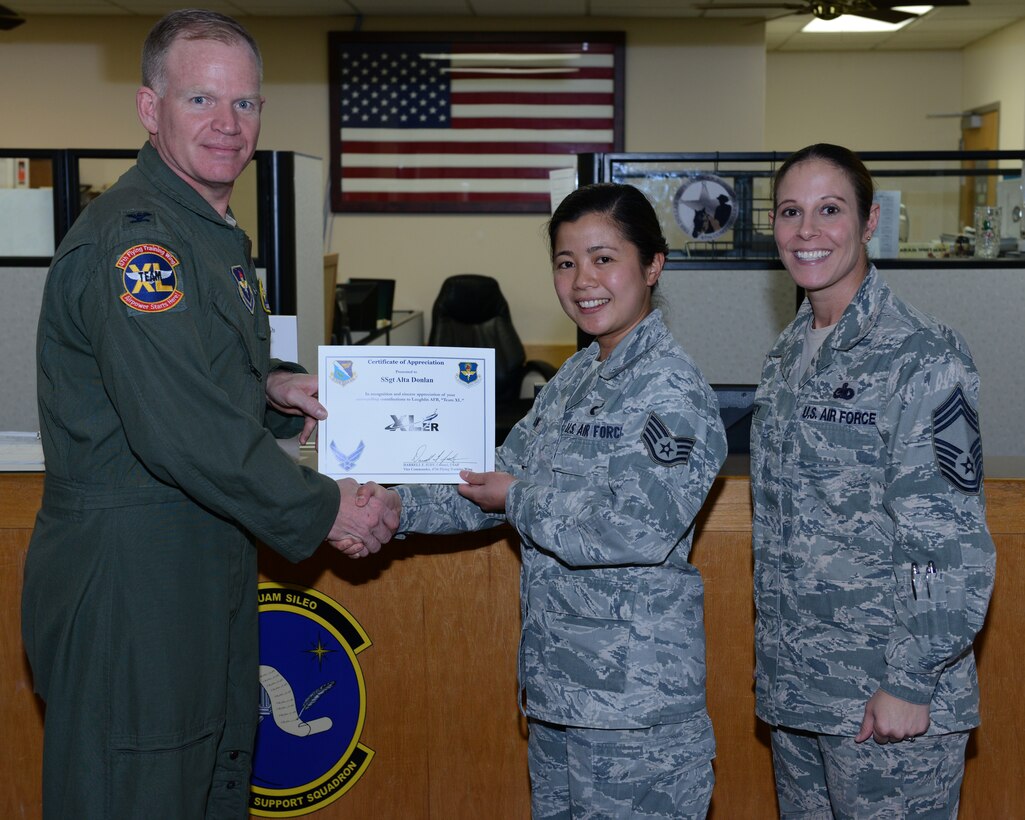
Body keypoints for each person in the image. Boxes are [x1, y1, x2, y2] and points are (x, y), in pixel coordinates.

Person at [21, 10, 396, 819]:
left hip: (198, 561)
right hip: (133, 581)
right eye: (200, 101)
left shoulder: (209, 232)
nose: (227, 126)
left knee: (209, 781)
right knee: (139, 788)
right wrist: (328, 509)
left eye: (245, 104)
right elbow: (179, 425)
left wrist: (273, 386)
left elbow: (201, 377)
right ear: (150, 110)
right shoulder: (138, 243)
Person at [359, 183, 727, 818]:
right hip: (560, 700)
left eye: (603, 258)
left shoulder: (671, 390)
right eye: (565, 261)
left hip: (632, 716)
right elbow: (489, 480)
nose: (583, 279)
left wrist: (519, 497)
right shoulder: (577, 378)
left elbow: (636, 531)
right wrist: (390, 508)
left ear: (653, 264)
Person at [750, 143, 996, 818]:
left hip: (887, 698)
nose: (806, 232)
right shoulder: (785, 356)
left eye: (829, 211)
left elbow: (948, 539)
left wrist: (910, 680)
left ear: (866, 222)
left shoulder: (922, 353)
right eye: (790, 212)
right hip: (802, 695)